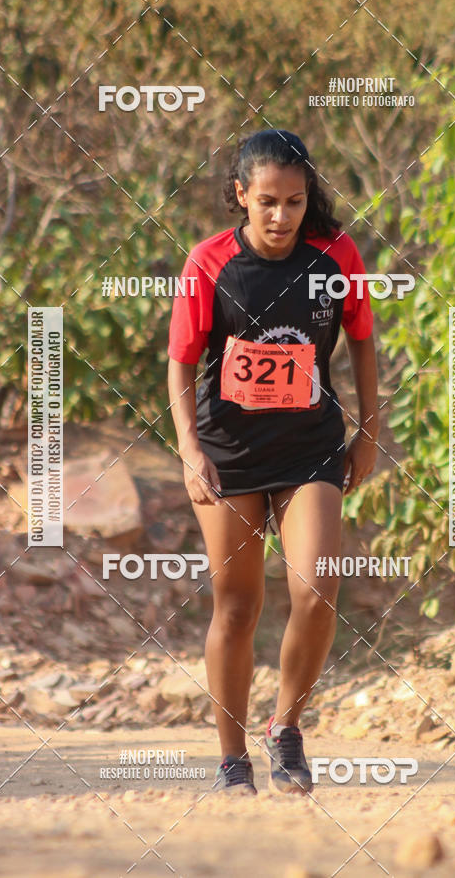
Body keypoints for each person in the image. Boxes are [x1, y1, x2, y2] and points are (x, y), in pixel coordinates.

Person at [167, 128, 378, 795]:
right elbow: (179, 364)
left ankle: (285, 728)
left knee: (317, 591)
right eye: (267, 202)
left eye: (293, 201)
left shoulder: (337, 255)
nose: (282, 216)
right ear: (240, 196)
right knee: (237, 604)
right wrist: (189, 449)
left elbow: (363, 342)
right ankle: (232, 756)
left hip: (310, 447)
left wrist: (368, 429)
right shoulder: (208, 263)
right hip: (230, 453)